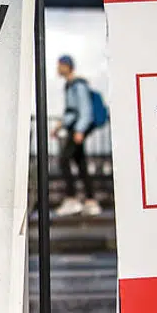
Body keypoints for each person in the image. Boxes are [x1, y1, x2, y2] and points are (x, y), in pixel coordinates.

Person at [51, 55, 101, 217]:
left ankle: (72, 199)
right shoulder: (70, 85)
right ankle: (90, 201)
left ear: (67, 66)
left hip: (77, 129)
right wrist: (58, 127)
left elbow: (85, 110)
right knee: (80, 163)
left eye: (59, 65)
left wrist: (80, 130)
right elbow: (70, 112)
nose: (57, 68)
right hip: (74, 127)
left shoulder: (78, 85)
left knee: (64, 160)